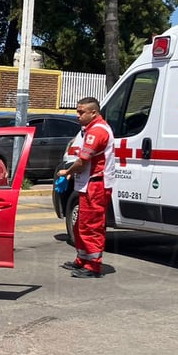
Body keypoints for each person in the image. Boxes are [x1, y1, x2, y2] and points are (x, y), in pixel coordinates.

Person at [58, 96, 115, 278]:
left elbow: (83, 162)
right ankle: (82, 259)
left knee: (92, 226)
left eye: (81, 112)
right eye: (77, 111)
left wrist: (67, 172)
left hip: (96, 185)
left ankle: (93, 267)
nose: (77, 115)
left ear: (93, 112)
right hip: (88, 183)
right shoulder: (90, 129)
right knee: (81, 224)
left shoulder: (97, 132)